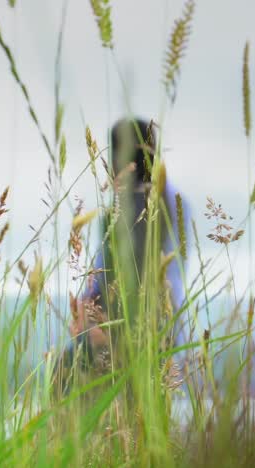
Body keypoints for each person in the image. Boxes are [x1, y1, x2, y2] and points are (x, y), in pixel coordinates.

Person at [56, 117, 187, 390]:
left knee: (66, 383)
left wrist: (95, 325)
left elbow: (121, 278)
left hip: (123, 336)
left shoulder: (134, 210)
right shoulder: (172, 204)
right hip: (156, 333)